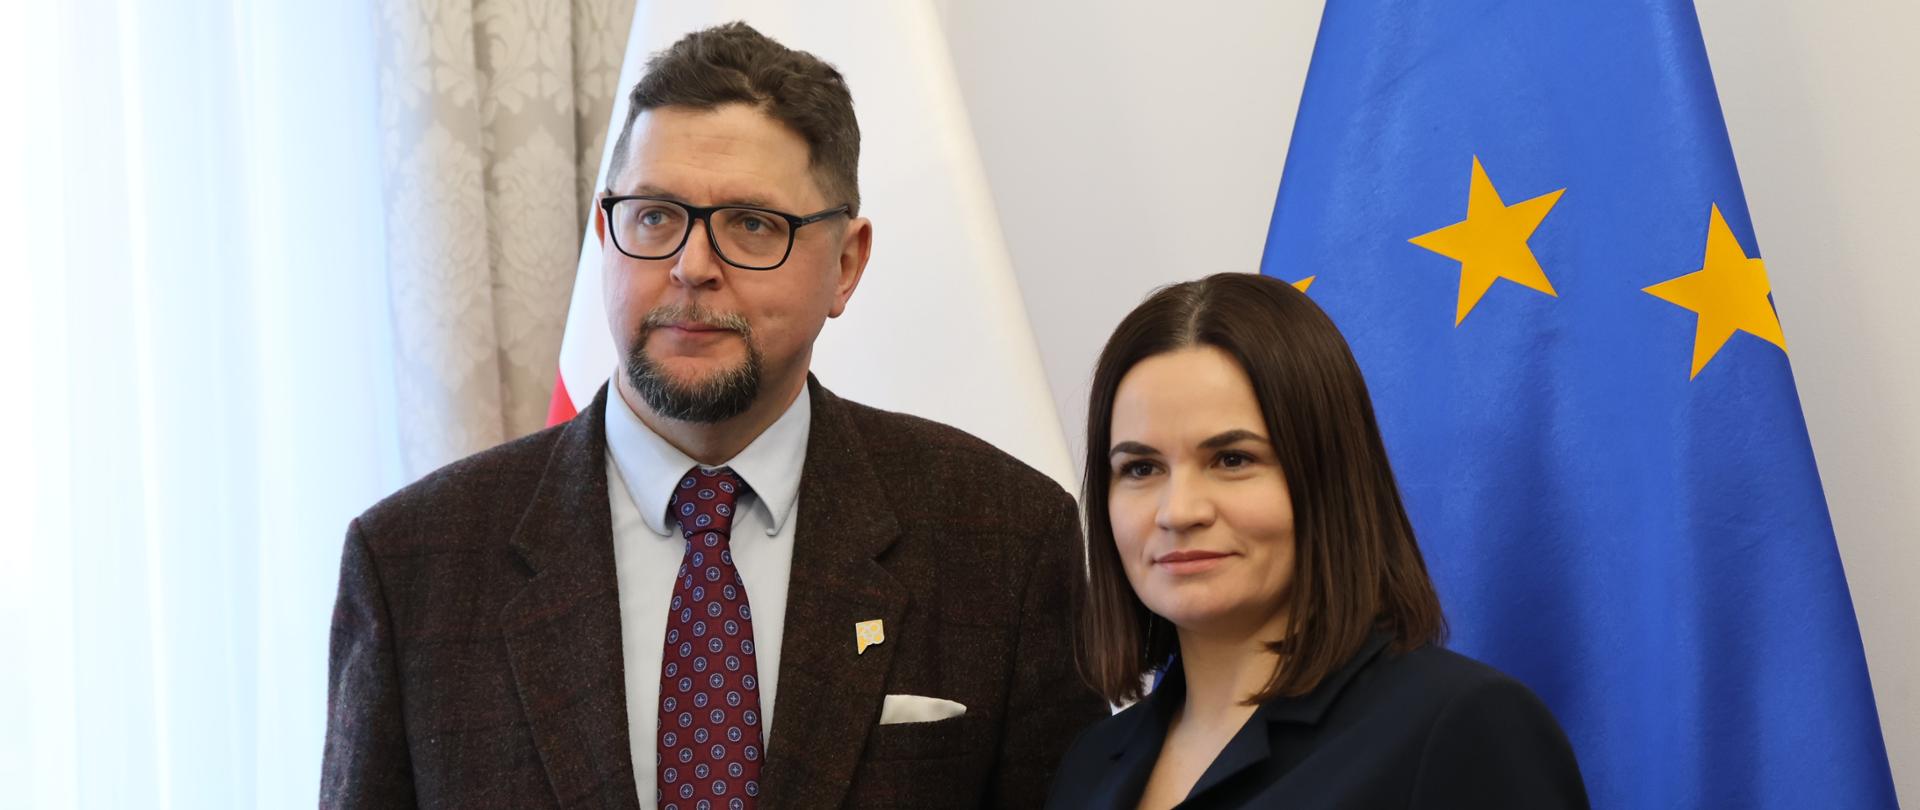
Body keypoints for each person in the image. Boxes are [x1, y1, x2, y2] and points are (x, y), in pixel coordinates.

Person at [321, 22, 1106, 809]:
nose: (691, 267)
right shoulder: (412, 567)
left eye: (752, 224)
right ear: (606, 236)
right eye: (655, 216)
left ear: (846, 264)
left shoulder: (1005, 539)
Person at [1046, 273, 1588, 809]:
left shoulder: (1463, 728)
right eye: (1141, 468)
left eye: (1233, 460)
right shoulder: (1087, 767)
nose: (1179, 511)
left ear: (1331, 478)